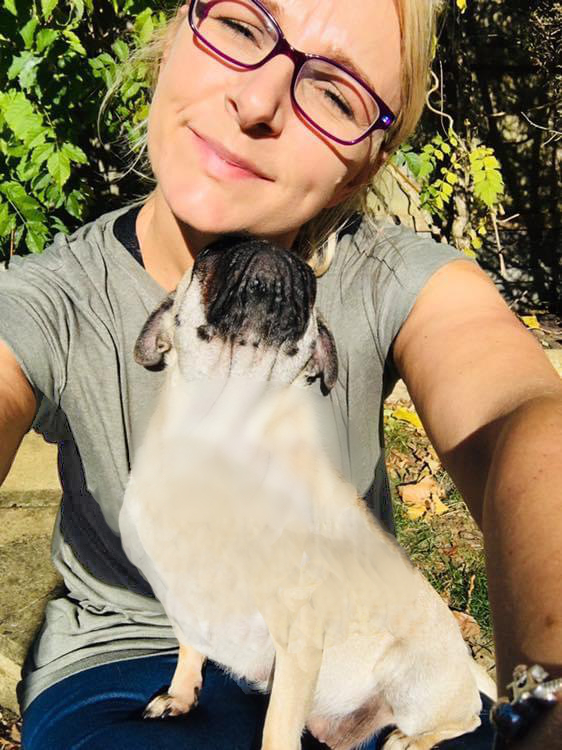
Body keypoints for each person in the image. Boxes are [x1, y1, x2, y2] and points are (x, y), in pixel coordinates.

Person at [0, 1, 560, 748]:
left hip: (347, 663)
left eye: (335, 94)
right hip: (124, 667)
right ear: (170, 40)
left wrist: (548, 692)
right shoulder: (54, 299)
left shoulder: (386, 277)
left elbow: (521, 418)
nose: (259, 102)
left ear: (364, 165)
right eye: (239, 24)